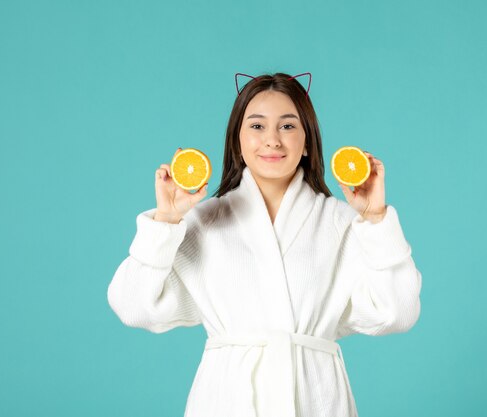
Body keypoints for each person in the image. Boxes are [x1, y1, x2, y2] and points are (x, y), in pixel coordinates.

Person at [107, 72, 422, 417]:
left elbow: (398, 313)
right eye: (257, 126)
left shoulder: (342, 222)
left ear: (307, 142)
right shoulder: (204, 222)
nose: (272, 140)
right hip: (226, 401)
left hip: (315, 400)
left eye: (287, 126)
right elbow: (134, 306)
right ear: (237, 141)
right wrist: (166, 221)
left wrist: (376, 218)